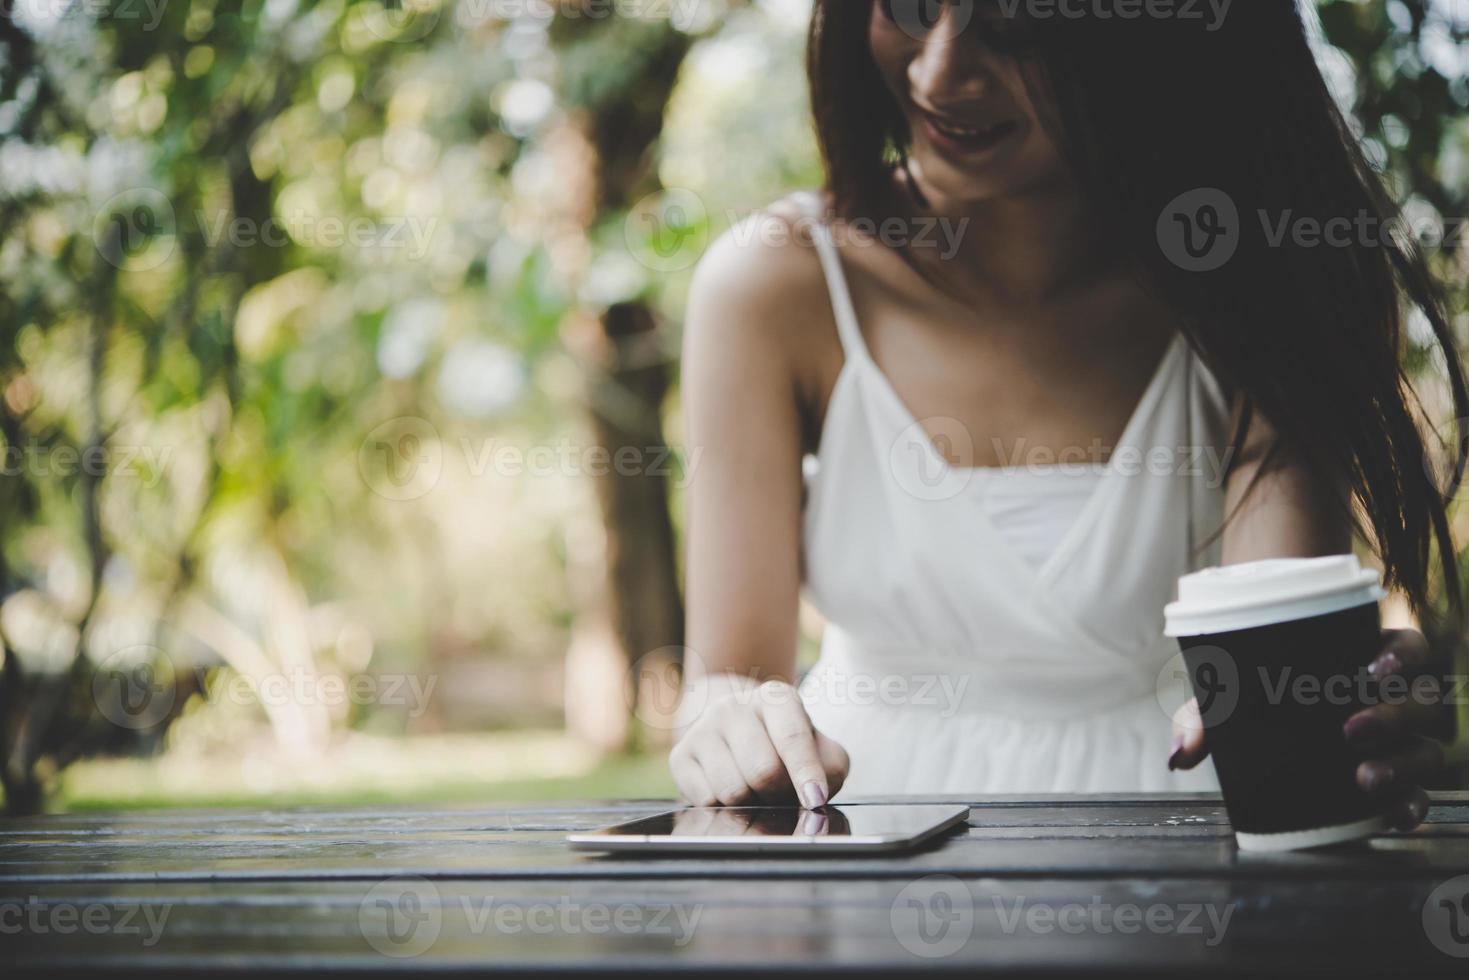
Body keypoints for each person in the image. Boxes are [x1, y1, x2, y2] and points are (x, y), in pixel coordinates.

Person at [672, 0, 1464, 829]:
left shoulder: (1267, 289)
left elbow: (1273, 644)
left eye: (1019, 30)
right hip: (857, 851)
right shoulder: (774, 283)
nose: (936, 72)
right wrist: (728, 726)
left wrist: (1335, 707)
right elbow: (724, 679)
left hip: (1182, 876)